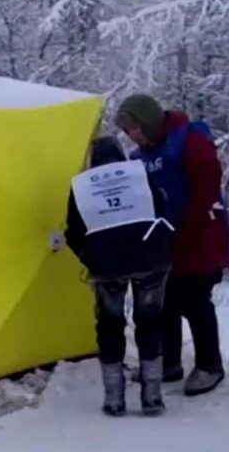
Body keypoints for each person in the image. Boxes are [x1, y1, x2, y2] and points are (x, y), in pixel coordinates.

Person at [115, 93, 229, 397]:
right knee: (163, 301)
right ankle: (169, 361)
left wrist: (182, 228)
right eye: (127, 132)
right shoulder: (139, 157)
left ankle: (210, 365)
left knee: (194, 301)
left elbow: (207, 189)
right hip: (162, 241)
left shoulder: (191, 141)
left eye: (135, 128)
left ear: (149, 121)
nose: (132, 136)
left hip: (199, 237)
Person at [64, 135, 174, 416]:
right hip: (150, 261)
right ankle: (152, 395)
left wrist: (91, 259)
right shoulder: (140, 178)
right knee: (150, 322)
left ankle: (114, 398)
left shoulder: (83, 188)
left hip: (107, 266)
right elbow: (163, 211)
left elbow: (73, 232)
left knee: (110, 325)